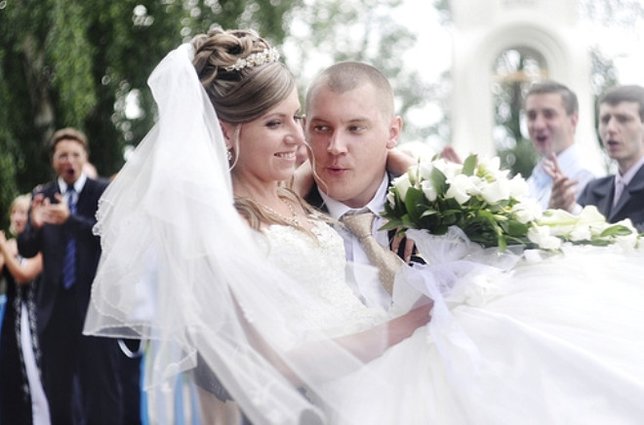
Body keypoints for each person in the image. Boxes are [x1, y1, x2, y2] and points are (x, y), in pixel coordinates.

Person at [84, 29, 644, 425]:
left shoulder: (303, 193)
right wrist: (406, 326)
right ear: (226, 133)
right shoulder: (222, 226)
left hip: (405, 362)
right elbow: (249, 365)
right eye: (288, 124)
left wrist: (414, 172)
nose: (312, 142)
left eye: (296, 120)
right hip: (342, 392)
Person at [17, 128, 141, 425]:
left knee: (102, 391)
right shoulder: (43, 195)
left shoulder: (102, 192)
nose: (69, 161)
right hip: (55, 310)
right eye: (63, 155)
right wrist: (33, 226)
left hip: (95, 308)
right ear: (54, 160)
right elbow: (27, 248)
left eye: (75, 154)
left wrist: (69, 220)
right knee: (58, 393)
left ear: (85, 157)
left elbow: (111, 239)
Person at [303, 62, 418, 310]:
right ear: (304, 129)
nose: (335, 147)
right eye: (321, 128)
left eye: (355, 128)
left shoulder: (431, 203)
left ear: (393, 132)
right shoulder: (283, 221)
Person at [549, 85, 644, 231]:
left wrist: (574, 211)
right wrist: (561, 210)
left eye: (623, 119)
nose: (611, 128)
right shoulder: (594, 190)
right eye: (605, 120)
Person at [0, 194, 50, 425]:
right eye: (14, 212)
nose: (18, 217)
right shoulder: (9, 246)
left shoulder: (42, 245)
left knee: (37, 376)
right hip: (12, 321)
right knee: (10, 374)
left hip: (36, 320)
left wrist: (4, 249)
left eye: (23, 212)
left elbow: (24, 274)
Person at [524, 81, 600, 210]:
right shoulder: (533, 179)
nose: (538, 125)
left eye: (549, 115)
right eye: (532, 116)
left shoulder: (586, 176)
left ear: (573, 121)